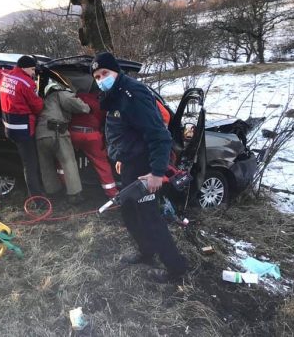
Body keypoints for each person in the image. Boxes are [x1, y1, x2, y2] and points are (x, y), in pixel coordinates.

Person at [91, 52, 187, 283]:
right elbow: (125, 130)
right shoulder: (114, 95)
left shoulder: (132, 94)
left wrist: (156, 173)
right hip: (130, 163)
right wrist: (122, 156)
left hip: (146, 166)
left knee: (149, 218)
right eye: (96, 76)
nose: (101, 78)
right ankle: (147, 252)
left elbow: (159, 136)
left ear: (116, 71)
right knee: (130, 212)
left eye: (105, 73)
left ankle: (176, 269)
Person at [0, 55, 45, 197]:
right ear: (24, 68)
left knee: (26, 160)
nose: (33, 73)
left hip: (9, 128)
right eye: (32, 69)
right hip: (24, 130)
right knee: (30, 164)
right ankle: (37, 197)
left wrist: (7, 68)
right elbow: (38, 106)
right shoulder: (27, 84)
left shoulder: (5, 76)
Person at [36, 79, 90, 202]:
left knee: (46, 165)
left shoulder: (43, 100)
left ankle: (53, 192)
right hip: (56, 132)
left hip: (40, 134)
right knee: (68, 162)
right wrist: (87, 108)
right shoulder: (60, 94)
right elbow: (76, 105)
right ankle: (74, 195)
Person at [70, 88, 119, 198]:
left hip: (72, 134)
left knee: (65, 161)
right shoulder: (101, 101)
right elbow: (107, 121)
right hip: (91, 136)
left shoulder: (76, 97)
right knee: (101, 163)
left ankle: (68, 188)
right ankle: (112, 193)